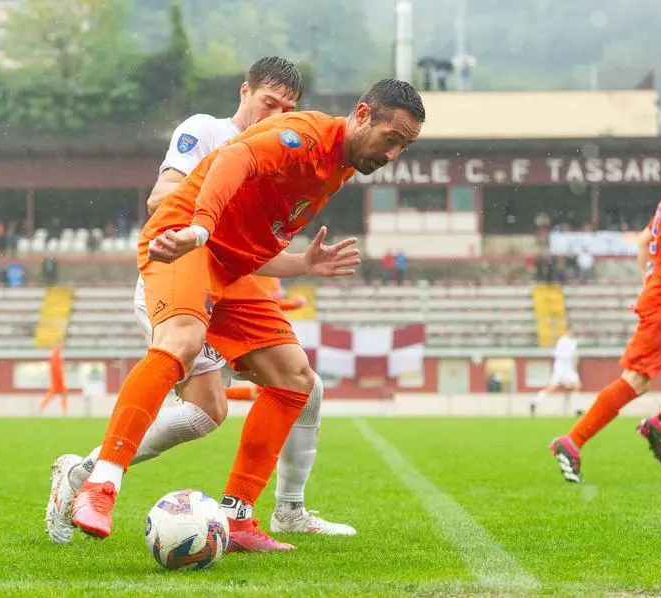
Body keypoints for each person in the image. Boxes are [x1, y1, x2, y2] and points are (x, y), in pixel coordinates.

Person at [68, 79, 425, 550]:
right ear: (362, 115)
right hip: (183, 238)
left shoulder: (338, 168)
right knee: (182, 341)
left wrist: (303, 265)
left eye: (404, 146)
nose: (393, 154)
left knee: (296, 378)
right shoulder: (306, 135)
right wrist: (198, 227)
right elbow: (234, 159)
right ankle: (100, 482)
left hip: (228, 263)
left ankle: (237, 517)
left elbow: (251, 243)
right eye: (391, 139)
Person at [550, 141, 661, 483]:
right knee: (637, 381)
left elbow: (644, 239)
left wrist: (649, 278)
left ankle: (660, 423)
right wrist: (655, 285)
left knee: (638, 382)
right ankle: (572, 442)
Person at [531, 328, 580, 416]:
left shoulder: (573, 342)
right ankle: (535, 401)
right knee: (551, 388)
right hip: (561, 367)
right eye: (569, 330)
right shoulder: (563, 341)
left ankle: (577, 409)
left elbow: (574, 356)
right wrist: (565, 381)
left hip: (568, 368)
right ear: (566, 331)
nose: (571, 332)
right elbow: (567, 355)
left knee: (577, 386)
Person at [39, 342, 69, 414]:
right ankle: (40, 408)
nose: (60, 348)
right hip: (56, 381)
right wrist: (60, 376)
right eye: (58, 347)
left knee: (63, 394)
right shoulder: (54, 357)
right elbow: (56, 369)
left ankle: (65, 411)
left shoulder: (58, 357)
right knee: (50, 395)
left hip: (58, 380)